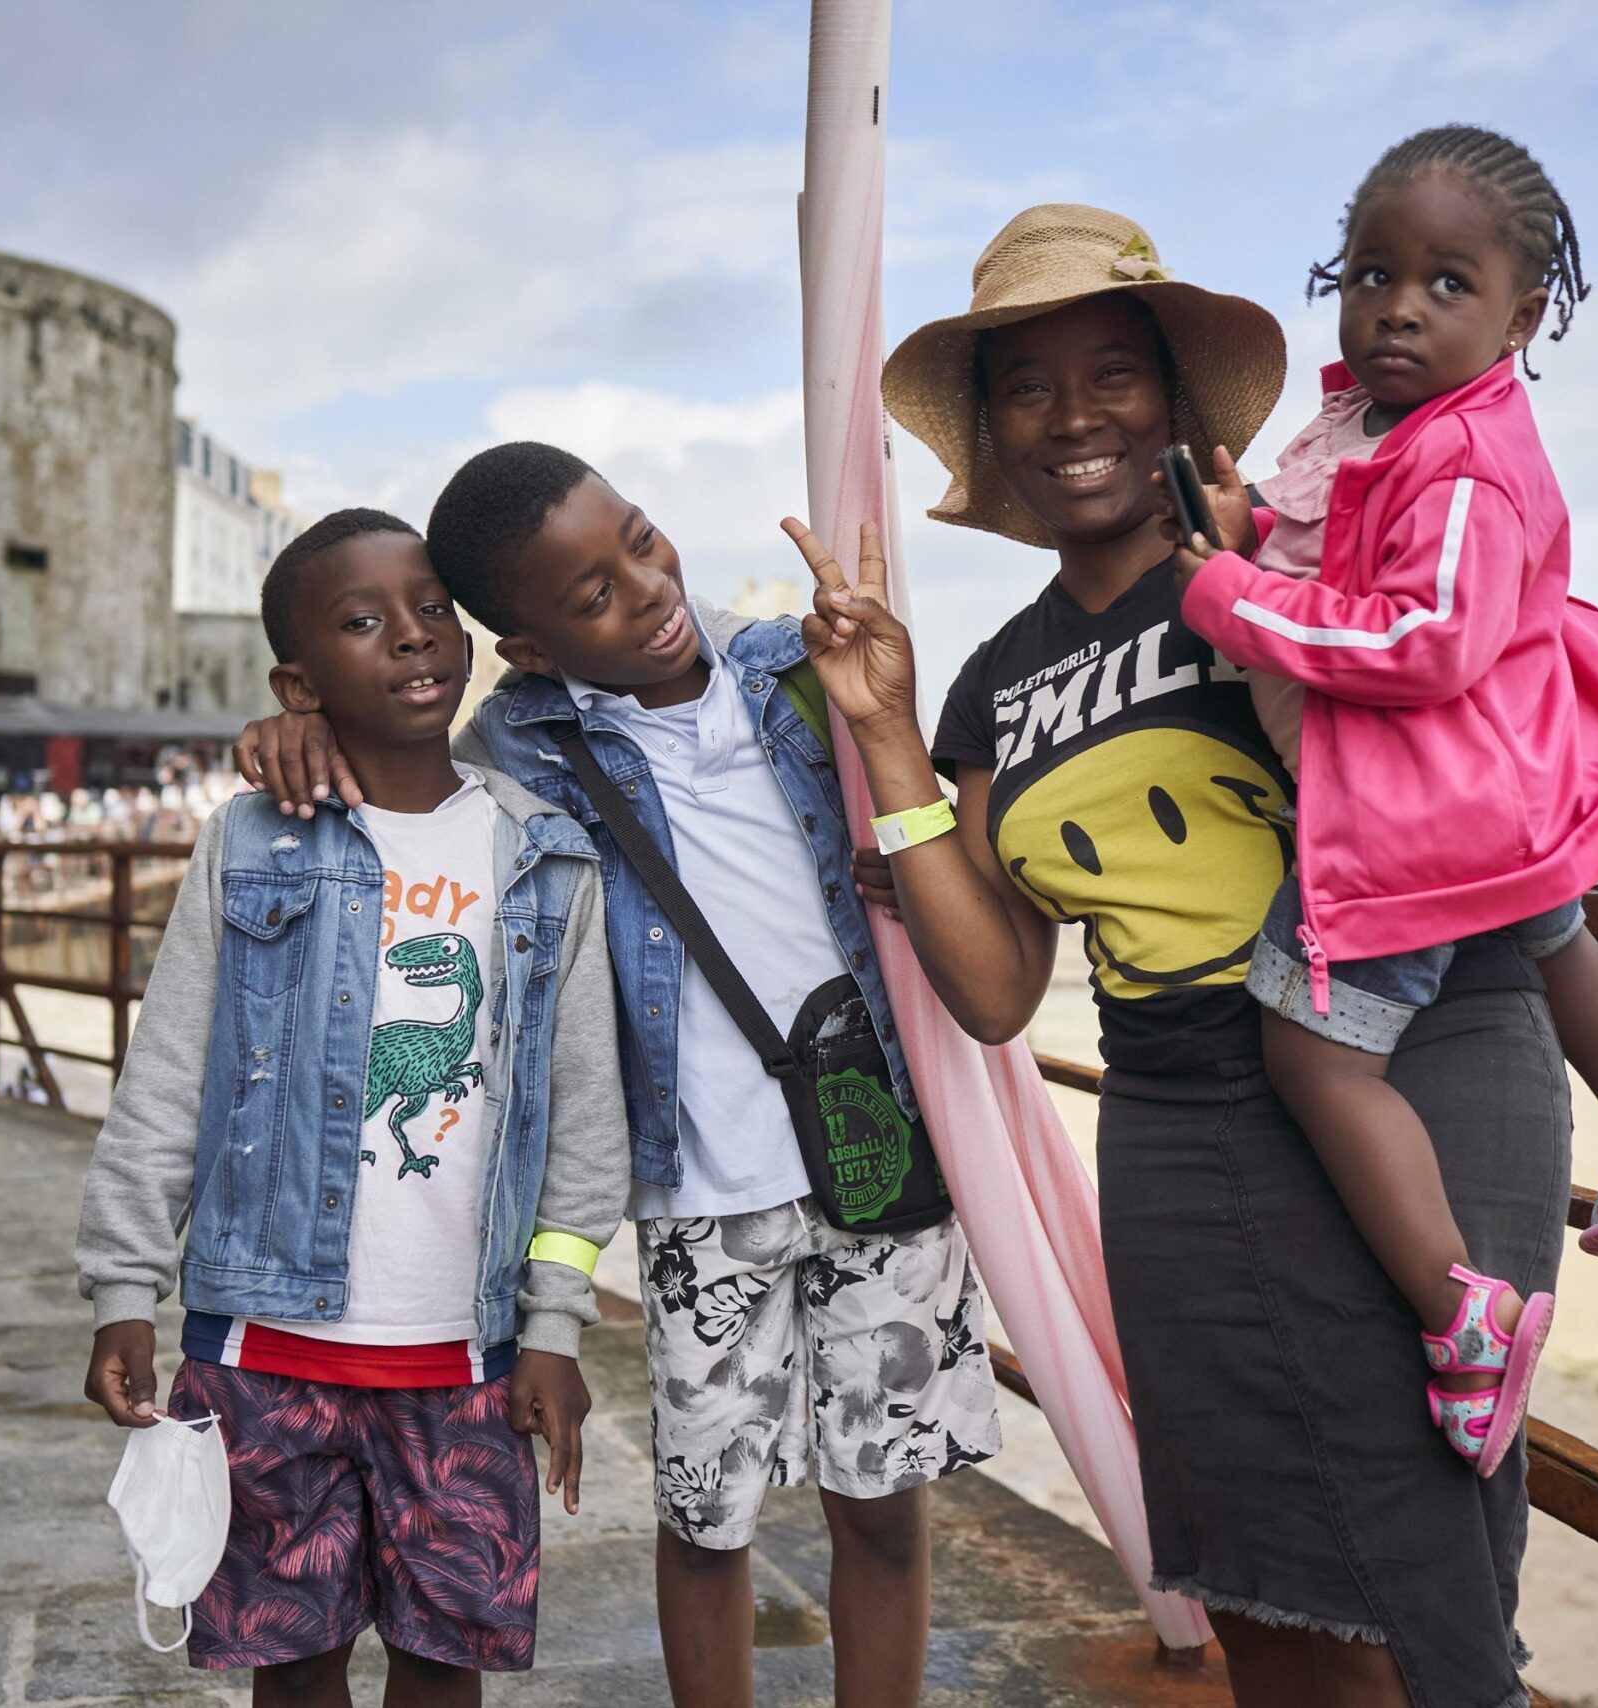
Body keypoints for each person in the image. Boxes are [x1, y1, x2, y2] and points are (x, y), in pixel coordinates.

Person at [786, 202, 1573, 1704]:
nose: (1074, 415)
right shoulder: (996, 687)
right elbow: (1000, 989)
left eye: (1111, 373)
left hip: (1409, 1069)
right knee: (1254, 1570)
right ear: (996, 431)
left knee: (1418, 1559)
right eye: (1029, 386)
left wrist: (1272, 572)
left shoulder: (1282, 559)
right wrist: (885, 734)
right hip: (1175, 1125)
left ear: (1171, 397)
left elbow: (1466, 687)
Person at [239, 448, 1001, 1708]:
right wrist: (298, 720)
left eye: (642, 541)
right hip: (700, 1193)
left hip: (877, 1155)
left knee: (882, 1503)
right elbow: (399, 764)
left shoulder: (798, 674)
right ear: (529, 651)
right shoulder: (519, 752)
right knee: (707, 1520)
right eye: (590, 597)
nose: (647, 589)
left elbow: (914, 823)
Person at [1160, 127, 1598, 1472]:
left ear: (1523, 315)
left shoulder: (1461, 462)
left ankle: (1460, 1311)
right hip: (1508, 793)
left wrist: (1227, 596)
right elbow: (1327, 539)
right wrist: (1253, 537)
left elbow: (1422, 641)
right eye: (1373, 272)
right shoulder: (1383, 422)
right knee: (1555, 930)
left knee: (1316, 1056)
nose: (1400, 305)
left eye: (1448, 285)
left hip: (1416, 819)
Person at [75, 509, 628, 1704]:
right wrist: (126, 1286)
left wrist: (554, 1321)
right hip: (263, 1348)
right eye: (363, 622)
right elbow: (168, 1074)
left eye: (432, 605)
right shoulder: (249, 845)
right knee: (294, 1670)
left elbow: (584, 1116)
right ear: (298, 680)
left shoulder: (543, 851)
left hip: (464, 1355)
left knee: (446, 1668)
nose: (415, 637)